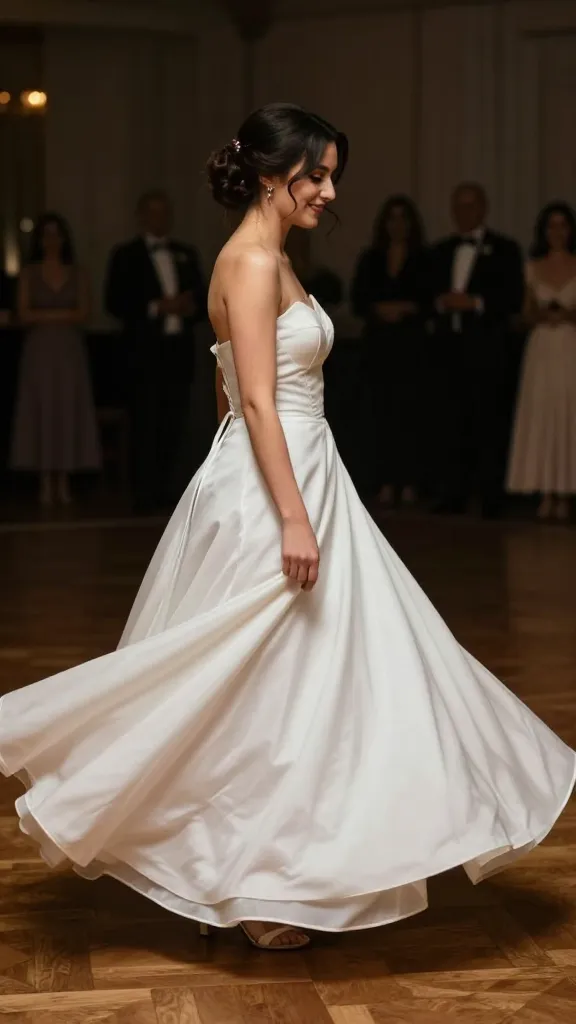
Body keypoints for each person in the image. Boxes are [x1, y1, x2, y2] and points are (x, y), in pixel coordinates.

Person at [0, 104, 574, 953]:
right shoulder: (251, 261)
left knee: (306, 680)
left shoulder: (270, 259)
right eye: (318, 175)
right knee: (251, 679)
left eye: (332, 174)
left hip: (295, 470)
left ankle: (276, 873)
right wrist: (289, 517)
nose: (330, 191)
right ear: (275, 174)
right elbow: (258, 399)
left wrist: (255, 486)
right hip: (284, 486)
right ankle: (251, 880)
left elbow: (234, 394)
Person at [104, 190, 207, 514]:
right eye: (154, 212)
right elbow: (114, 302)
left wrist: (187, 307)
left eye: (165, 212)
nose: (161, 219)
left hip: (179, 352)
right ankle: (143, 493)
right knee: (144, 422)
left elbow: (205, 298)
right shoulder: (125, 255)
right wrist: (156, 307)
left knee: (174, 422)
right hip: (143, 354)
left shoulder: (186, 253)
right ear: (141, 217)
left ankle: (168, 489)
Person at [428, 183, 524, 518]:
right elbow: (425, 295)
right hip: (449, 351)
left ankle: (491, 498)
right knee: (451, 424)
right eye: (458, 207)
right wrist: (442, 303)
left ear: (483, 208)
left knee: (489, 424)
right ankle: (452, 494)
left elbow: (513, 298)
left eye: (469, 206)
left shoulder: (506, 249)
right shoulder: (439, 251)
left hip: (487, 352)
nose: (463, 213)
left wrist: (475, 302)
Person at [10, 213, 101, 506]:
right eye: (46, 234)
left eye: (56, 234)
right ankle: (44, 481)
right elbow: (23, 314)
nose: (52, 240)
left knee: (67, 409)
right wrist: (63, 315)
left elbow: (84, 313)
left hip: (69, 351)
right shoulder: (29, 273)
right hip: (39, 352)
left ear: (64, 238)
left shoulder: (78, 272)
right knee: (41, 409)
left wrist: (45, 315)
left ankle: (64, 481)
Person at [351, 195, 427, 507]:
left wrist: (406, 308)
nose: (397, 224)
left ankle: (409, 482)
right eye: (391, 218)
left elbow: (428, 299)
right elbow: (359, 300)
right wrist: (381, 309)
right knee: (379, 415)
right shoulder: (371, 258)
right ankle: (382, 482)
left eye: (403, 218)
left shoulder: (423, 258)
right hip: (378, 348)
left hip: (411, 349)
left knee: (409, 416)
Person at [507, 202, 576, 521]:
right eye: (551, 226)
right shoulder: (532, 267)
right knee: (543, 413)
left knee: (568, 413)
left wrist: (567, 315)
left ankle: (566, 492)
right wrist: (540, 315)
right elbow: (524, 313)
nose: (557, 232)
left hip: (570, 345)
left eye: (563, 225)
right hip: (542, 347)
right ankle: (546, 491)